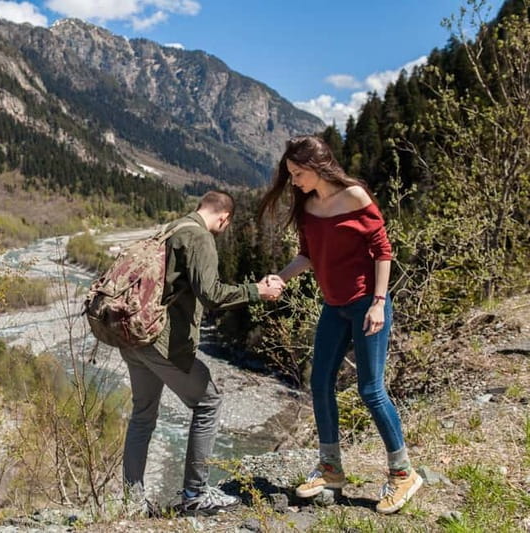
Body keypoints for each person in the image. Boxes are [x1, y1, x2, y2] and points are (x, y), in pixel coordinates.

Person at [257, 136, 422, 514]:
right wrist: (280, 278)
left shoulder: (355, 197)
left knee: (370, 390)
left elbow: (383, 251)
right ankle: (330, 468)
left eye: (298, 173)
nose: (294, 181)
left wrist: (379, 303)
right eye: (291, 175)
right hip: (334, 307)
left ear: (317, 167)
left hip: (367, 305)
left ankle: (403, 474)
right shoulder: (308, 206)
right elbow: (308, 256)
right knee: (319, 383)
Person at [121, 190, 284, 516]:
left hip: (131, 336)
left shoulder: (170, 229)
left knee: (142, 416)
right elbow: (211, 295)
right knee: (208, 401)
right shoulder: (199, 238)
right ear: (223, 217)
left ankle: (131, 503)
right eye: (226, 223)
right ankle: (195, 494)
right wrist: (258, 291)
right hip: (160, 341)